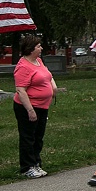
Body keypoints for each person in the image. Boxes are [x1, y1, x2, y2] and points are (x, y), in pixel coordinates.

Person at [13, 34, 58, 178]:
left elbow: (48, 76)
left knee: (39, 136)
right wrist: (30, 110)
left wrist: (53, 88)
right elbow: (21, 90)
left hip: (43, 106)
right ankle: (27, 167)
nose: (41, 48)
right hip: (28, 106)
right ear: (31, 49)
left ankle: (36, 163)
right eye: (39, 46)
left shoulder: (38, 61)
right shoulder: (23, 66)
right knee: (28, 137)